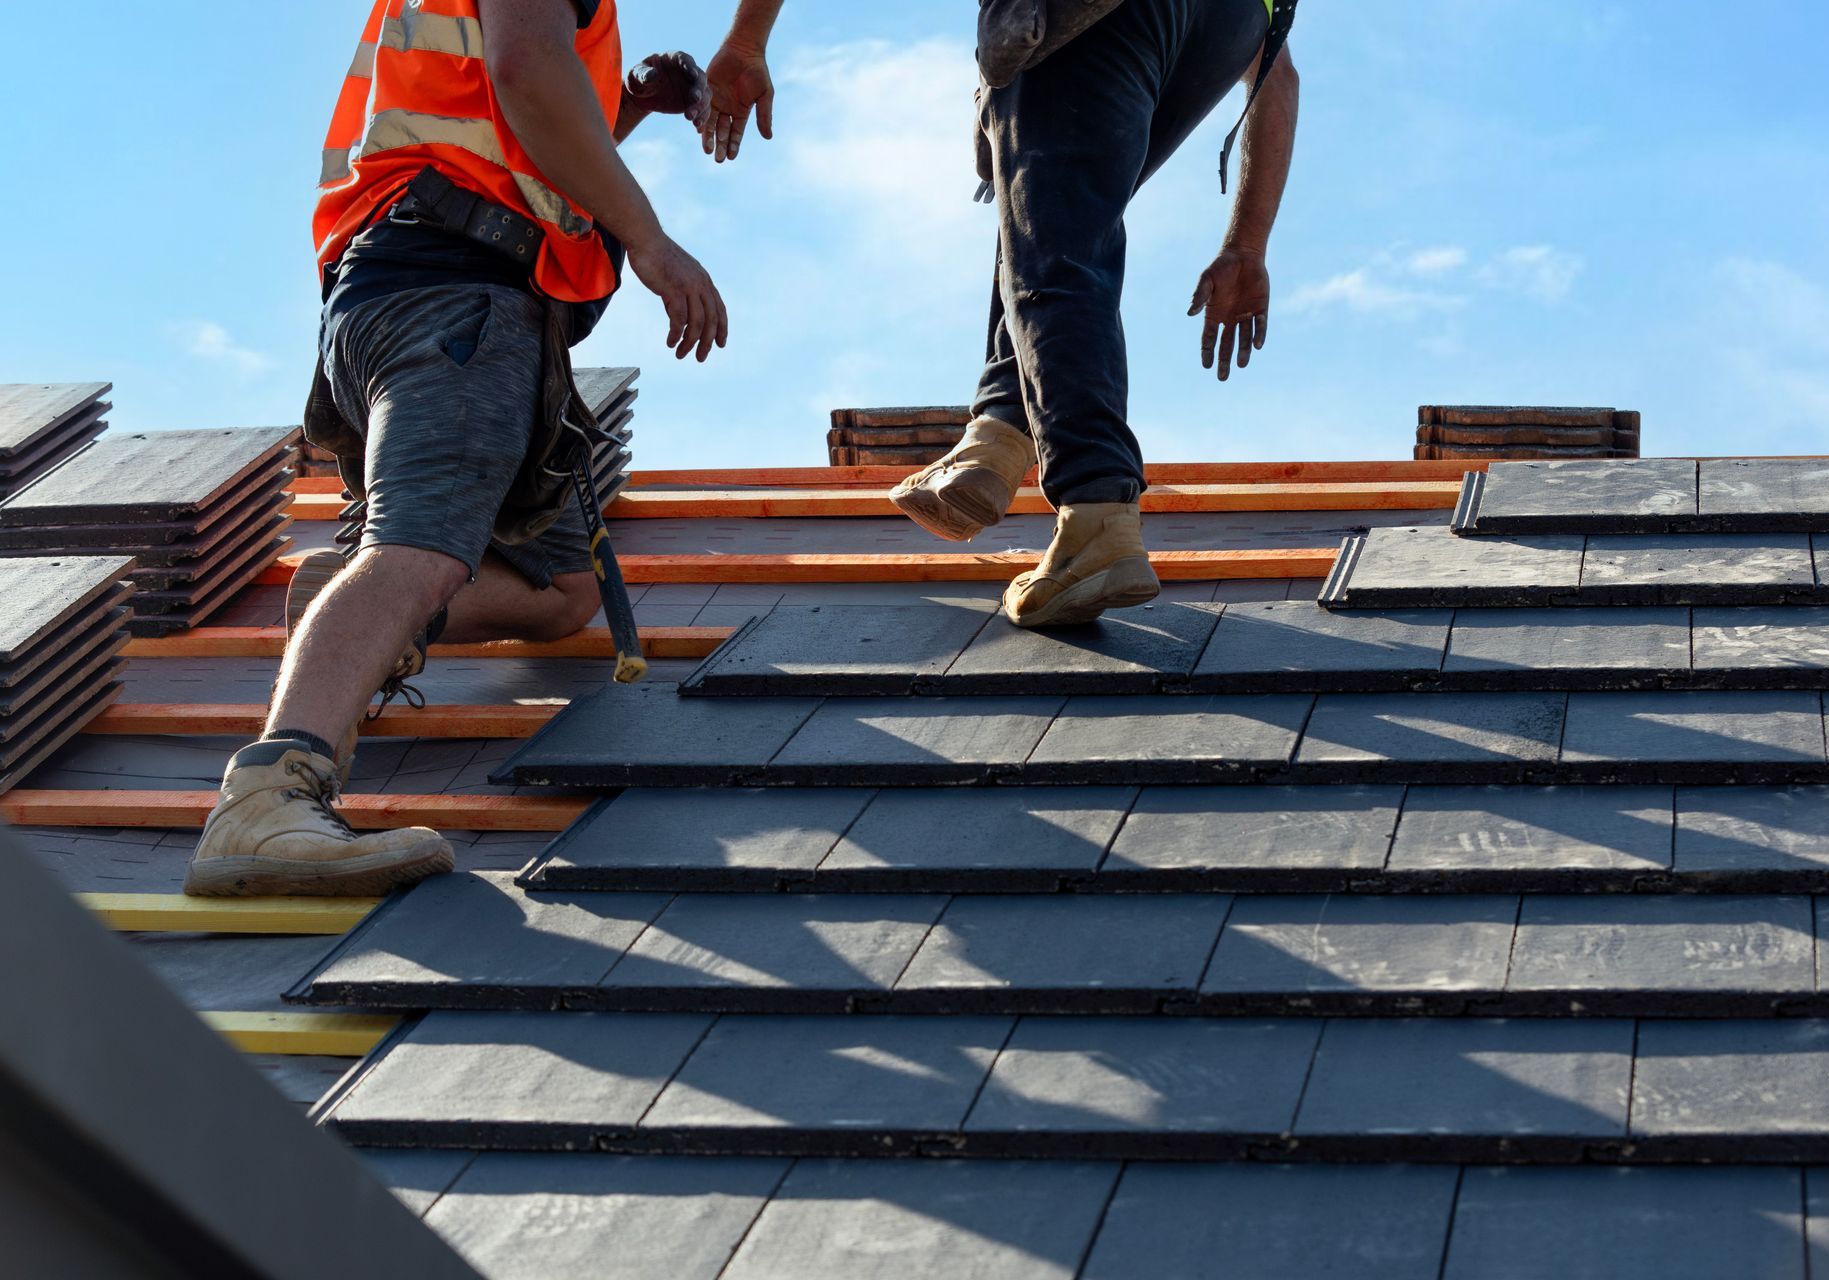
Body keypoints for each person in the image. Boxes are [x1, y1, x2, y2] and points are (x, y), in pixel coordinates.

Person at [183, 0, 784, 897]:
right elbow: (527, 75)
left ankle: (352, 608)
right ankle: (266, 800)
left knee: (562, 593)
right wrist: (651, 243)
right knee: (418, 549)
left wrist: (624, 101)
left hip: (420, 281)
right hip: (455, 289)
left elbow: (521, 133)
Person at [892, 0, 1301, 628]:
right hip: (1238, 21)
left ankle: (1097, 517)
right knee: (1056, 218)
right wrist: (1247, 245)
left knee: (1055, 250)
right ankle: (1002, 434)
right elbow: (1280, 76)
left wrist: (746, 42)